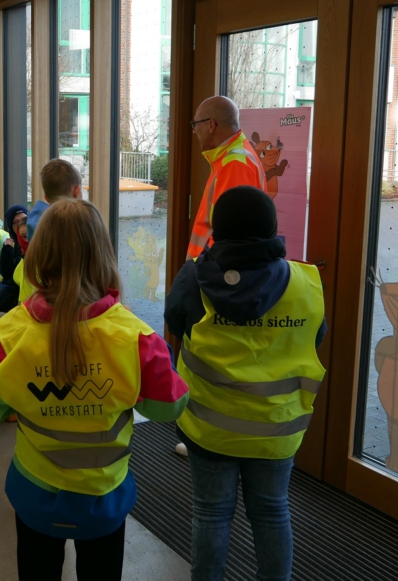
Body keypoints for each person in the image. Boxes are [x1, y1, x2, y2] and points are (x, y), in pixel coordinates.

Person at [0, 199, 190, 581]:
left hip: (34, 493)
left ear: (38, 255)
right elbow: (168, 408)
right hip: (103, 499)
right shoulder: (137, 338)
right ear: (103, 254)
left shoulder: (6, 334)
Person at [164, 186, 327, 581]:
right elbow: (316, 337)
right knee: (272, 510)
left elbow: (175, 324)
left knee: (211, 512)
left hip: (209, 427)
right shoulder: (306, 283)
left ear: (218, 231)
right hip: (277, 427)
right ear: (272, 228)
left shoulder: (194, 278)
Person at [186, 95, 266, 261]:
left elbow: (230, 237)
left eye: (195, 124)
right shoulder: (230, 157)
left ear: (211, 125)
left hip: (215, 269)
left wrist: (208, 270)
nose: (194, 131)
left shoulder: (235, 163)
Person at [15, 159, 82, 304]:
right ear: (76, 191)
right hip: (72, 301)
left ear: (46, 197)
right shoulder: (78, 226)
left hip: (40, 300)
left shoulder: (35, 226)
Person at [0, 205, 27, 315]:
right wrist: (7, 252)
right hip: (10, 286)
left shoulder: (35, 241)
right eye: (15, 222)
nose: (19, 225)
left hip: (25, 289)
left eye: (23, 220)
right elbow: (5, 273)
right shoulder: (10, 243)